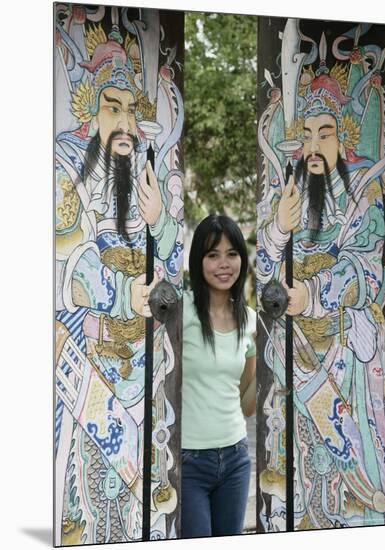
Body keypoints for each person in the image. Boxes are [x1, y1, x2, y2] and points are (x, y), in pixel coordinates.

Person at [55, 18, 182, 544]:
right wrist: (118, 295)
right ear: (90, 110)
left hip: (143, 372)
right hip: (90, 365)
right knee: (84, 498)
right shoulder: (66, 166)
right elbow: (67, 261)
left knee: (139, 508)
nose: (126, 122)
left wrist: (163, 224)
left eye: (133, 109)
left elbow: (172, 275)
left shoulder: (150, 175)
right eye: (114, 107)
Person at [257, 74, 385, 529]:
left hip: (341, 355)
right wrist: (277, 229)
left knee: (347, 462)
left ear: (342, 139)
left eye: (325, 133)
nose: (314, 146)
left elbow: (366, 273)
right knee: (296, 469)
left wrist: (312, 296)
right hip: (294, 354)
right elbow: (260, 274)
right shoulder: (286, 197)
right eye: (307, 135)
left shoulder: (362, 199)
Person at [181, 215, 256, 538]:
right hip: (188, 463)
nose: (223, 264)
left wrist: (271, 373)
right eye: (213, 255)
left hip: (236, 459)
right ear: (199, 261)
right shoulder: (180, 312)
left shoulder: (251, 321)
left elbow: (247, 404)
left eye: (231, 254)